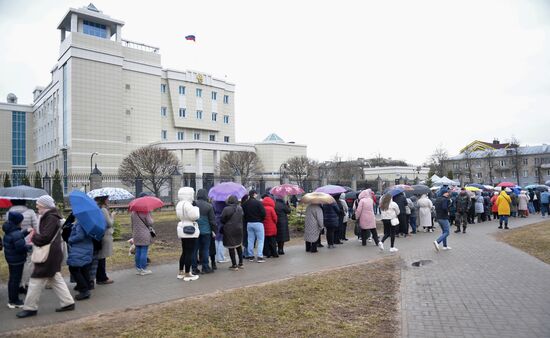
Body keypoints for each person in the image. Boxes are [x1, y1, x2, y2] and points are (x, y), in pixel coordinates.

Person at [17, 195, 75, 318]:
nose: (37, 208)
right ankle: (68, 302)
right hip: (52, 253)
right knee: (55, 278)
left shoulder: (50, 217)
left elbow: (45, 237)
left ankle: (30, 308)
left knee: (35, 280)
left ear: (45, 206)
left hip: (48, 254)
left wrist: (33, 236)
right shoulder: (52, 216)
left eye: (38, 206)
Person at [7, 200, 38, 293]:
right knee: (28, 262)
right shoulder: (30, 212)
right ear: (25, 201)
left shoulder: (9, 213)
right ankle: (27, 283)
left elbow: (8, 227)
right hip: (29, 240)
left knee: (16, 264)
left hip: (13, 242)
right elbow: (36, 227)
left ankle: (19, 284)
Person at [3, 212, 32, 308]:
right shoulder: (16, 233)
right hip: (17, 260)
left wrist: (26, 232)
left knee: (12, 279)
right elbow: (20, 247)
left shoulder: (9, 231)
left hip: (11, 259)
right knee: (15, 280)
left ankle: (12, 299)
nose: (21, 223)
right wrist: (29, 247)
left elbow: (16, 238)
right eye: (21, 221)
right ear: (17, 222)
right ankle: (14, 301)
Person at [176, 187, 200, 281]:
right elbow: (195, 216)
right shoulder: (188, 205)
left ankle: (181, 271)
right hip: (190, 229)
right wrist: (196, 207)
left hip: (182, 227)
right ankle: (187, 273)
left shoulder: (179, 204)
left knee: (184, 251)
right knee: (190, 252)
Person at [67, 217, 94, 300]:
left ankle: (84, 291)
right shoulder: (89, 221)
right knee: (84, 268)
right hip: (87, 247)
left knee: (74, 268)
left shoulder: (80, 223)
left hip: (79, 249)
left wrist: (70, 239)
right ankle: (86, 286)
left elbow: (80, 235)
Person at [192, 189, 217, 275]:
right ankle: (205, 267)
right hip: (206, 231)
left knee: (194, 250)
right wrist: (214, 230)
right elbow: (212, 220)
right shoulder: (209, 206)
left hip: (195, 231)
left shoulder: (193, 204)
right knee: (205, 249)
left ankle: (194, 268)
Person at [94, 196, 115, 285]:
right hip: (105, 235)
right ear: (104, 199)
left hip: (101, 235)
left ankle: (101, 277)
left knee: (101, 257)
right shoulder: (103, 210)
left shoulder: (98, 208)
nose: (108, 200)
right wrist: (112, 216)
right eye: (107, 198)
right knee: (101, 257)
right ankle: (102, 278)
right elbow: (109, 224)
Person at [220, 195, 244, 270]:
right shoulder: (240, 208)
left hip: (229, 230)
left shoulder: (226, 209)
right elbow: (242, 217)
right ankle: (241, 263)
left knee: (231, 247)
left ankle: (234, 265)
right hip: (239, 228)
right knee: (238, 245)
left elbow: (222, 219)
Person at [242, 190, 266, 263]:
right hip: (258, 223)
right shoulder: (258, 203)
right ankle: (260, 256)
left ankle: (251, 256)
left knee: (250, 240)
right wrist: (261, 219)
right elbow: (263, 213)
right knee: (260, 240)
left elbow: (243, 215)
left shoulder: (245, 204)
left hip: (249, 223)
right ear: (254, 194)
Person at [131, 209, 154, 276]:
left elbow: (132, 224)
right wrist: (150, 216)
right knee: (144, 251)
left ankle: (138, 268)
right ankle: (143, 269)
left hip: (136, 234)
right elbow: (150, 223)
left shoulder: (133, 212)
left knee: (138, 251)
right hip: (144, 234)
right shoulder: (145, 212)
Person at [433, 187, 452, 251]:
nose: (448, 193)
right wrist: (448, 211)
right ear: (444, 193)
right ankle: (437, 241)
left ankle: (445, 246)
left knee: (444, 232)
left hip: (438, 217)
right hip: (444, 217)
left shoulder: (437, 199)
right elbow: (444, 207)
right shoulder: (445, 199)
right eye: (447, 192)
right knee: (447, 232)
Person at [212, 200, 228, 266]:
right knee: (222, 238)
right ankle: (221, 257)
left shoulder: (214, 202)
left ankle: (217, 257)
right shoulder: (224, 203)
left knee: (216, 238)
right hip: (223, 220)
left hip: (216, 219)